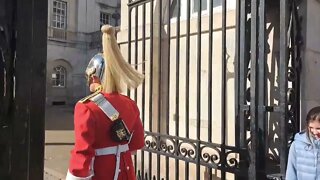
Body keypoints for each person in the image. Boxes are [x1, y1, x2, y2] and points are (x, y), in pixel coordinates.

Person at [66, 25, 145, 180]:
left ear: (94, 77)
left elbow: (82, 156)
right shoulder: (130, 104)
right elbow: (136, 144)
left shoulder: (86, 108)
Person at [286, 106, 320, 180]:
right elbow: (291, 172)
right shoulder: (297, 145)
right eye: (311, 127)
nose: (314, 132)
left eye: (318, 128)